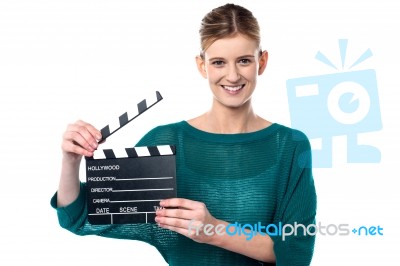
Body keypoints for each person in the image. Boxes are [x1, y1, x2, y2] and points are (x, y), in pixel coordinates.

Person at [51, 3, 317, 266]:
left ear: (262, 61)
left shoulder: (290, 146)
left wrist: (214, 231)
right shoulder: (166, 143)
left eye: (244, 61)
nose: (233, 75)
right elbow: (80, 217)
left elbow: (296, 252)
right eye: (219, 62)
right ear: (202, 66)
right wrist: (71, 161)